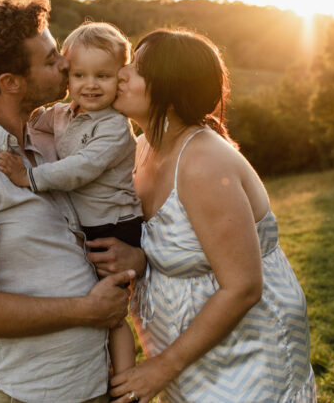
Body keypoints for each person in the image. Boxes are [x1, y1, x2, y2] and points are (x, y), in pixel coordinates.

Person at [0, 0, 135, 403]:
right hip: (25, 394)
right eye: (52, 60)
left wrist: (133, 257)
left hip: (92, 386)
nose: (66, 64)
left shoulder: (52, 139)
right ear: (11, 83)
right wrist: (85, 311)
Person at [88, 28, 316, 403]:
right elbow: (181, 246)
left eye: (138, 69)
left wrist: (162, 367)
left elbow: (243, 286)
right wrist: (139, 261)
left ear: (172, 92)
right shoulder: (142, 148)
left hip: (245, 355)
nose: (122, 73)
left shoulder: (202, 163)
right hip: (187, 353)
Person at [0, 21, 142, 375]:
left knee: (112, 308)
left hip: (116, 225)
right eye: (80, 75)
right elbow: (35, 121)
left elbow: (80, 168)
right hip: (89, 225)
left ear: (120, 77)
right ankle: (101, 370)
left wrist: (28, 177)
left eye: (103, 76)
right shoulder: (63, 114)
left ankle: (125, 384)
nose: (90, 85)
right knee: (92, 301)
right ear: (68, 78)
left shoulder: (113, 127)